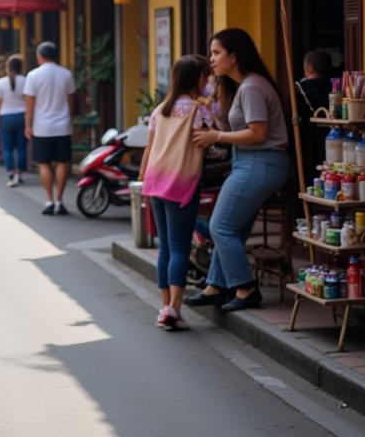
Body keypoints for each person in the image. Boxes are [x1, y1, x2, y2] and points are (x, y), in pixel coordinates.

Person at [186, 28, 291, 312]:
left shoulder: (252, 87)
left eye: (217, 53)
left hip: (261, 161)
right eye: (211, 53)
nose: (212, 59)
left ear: (234, 55)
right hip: (250, 162)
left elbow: (258, 134)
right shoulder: (244, 86)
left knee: (220, 227)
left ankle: (245, 288)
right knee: (232, 228)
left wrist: (216, 137)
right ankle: (216, 286)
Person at [139, 55, 218, 331]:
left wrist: (142, 177)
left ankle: (165, 307)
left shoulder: (160, 109)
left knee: (165, 248)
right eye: (206, 77)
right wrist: (211, 100)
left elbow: (149, 147)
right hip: (180, 181)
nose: (208, 81)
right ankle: (174, 308)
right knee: (181, 246)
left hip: (154, 181)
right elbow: (213, 135)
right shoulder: (199, 110)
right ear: (198, 79)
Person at [24, 41, 76, 215]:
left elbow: (29, 103)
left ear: (39, 56)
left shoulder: (33, 75)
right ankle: (60, 200)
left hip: (42, 127)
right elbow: (71, 101)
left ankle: (49, 200)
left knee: (44, 163)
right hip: (63, 126)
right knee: (62, 162)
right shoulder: (66, 74)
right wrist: (70, 120)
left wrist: (28, 125)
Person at [297, 48, 332, 184]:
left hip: (305, 139)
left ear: (309, 68)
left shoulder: (299, 90)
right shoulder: (335, 88)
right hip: (330, 138)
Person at [0, 54, 27, 187]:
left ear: (7, 67)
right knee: (21, 147)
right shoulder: (25, 80)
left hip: (5, 117)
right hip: (21, 116)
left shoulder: (0, 83)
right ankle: (19, 174)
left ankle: (11, 173)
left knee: (7, 148)